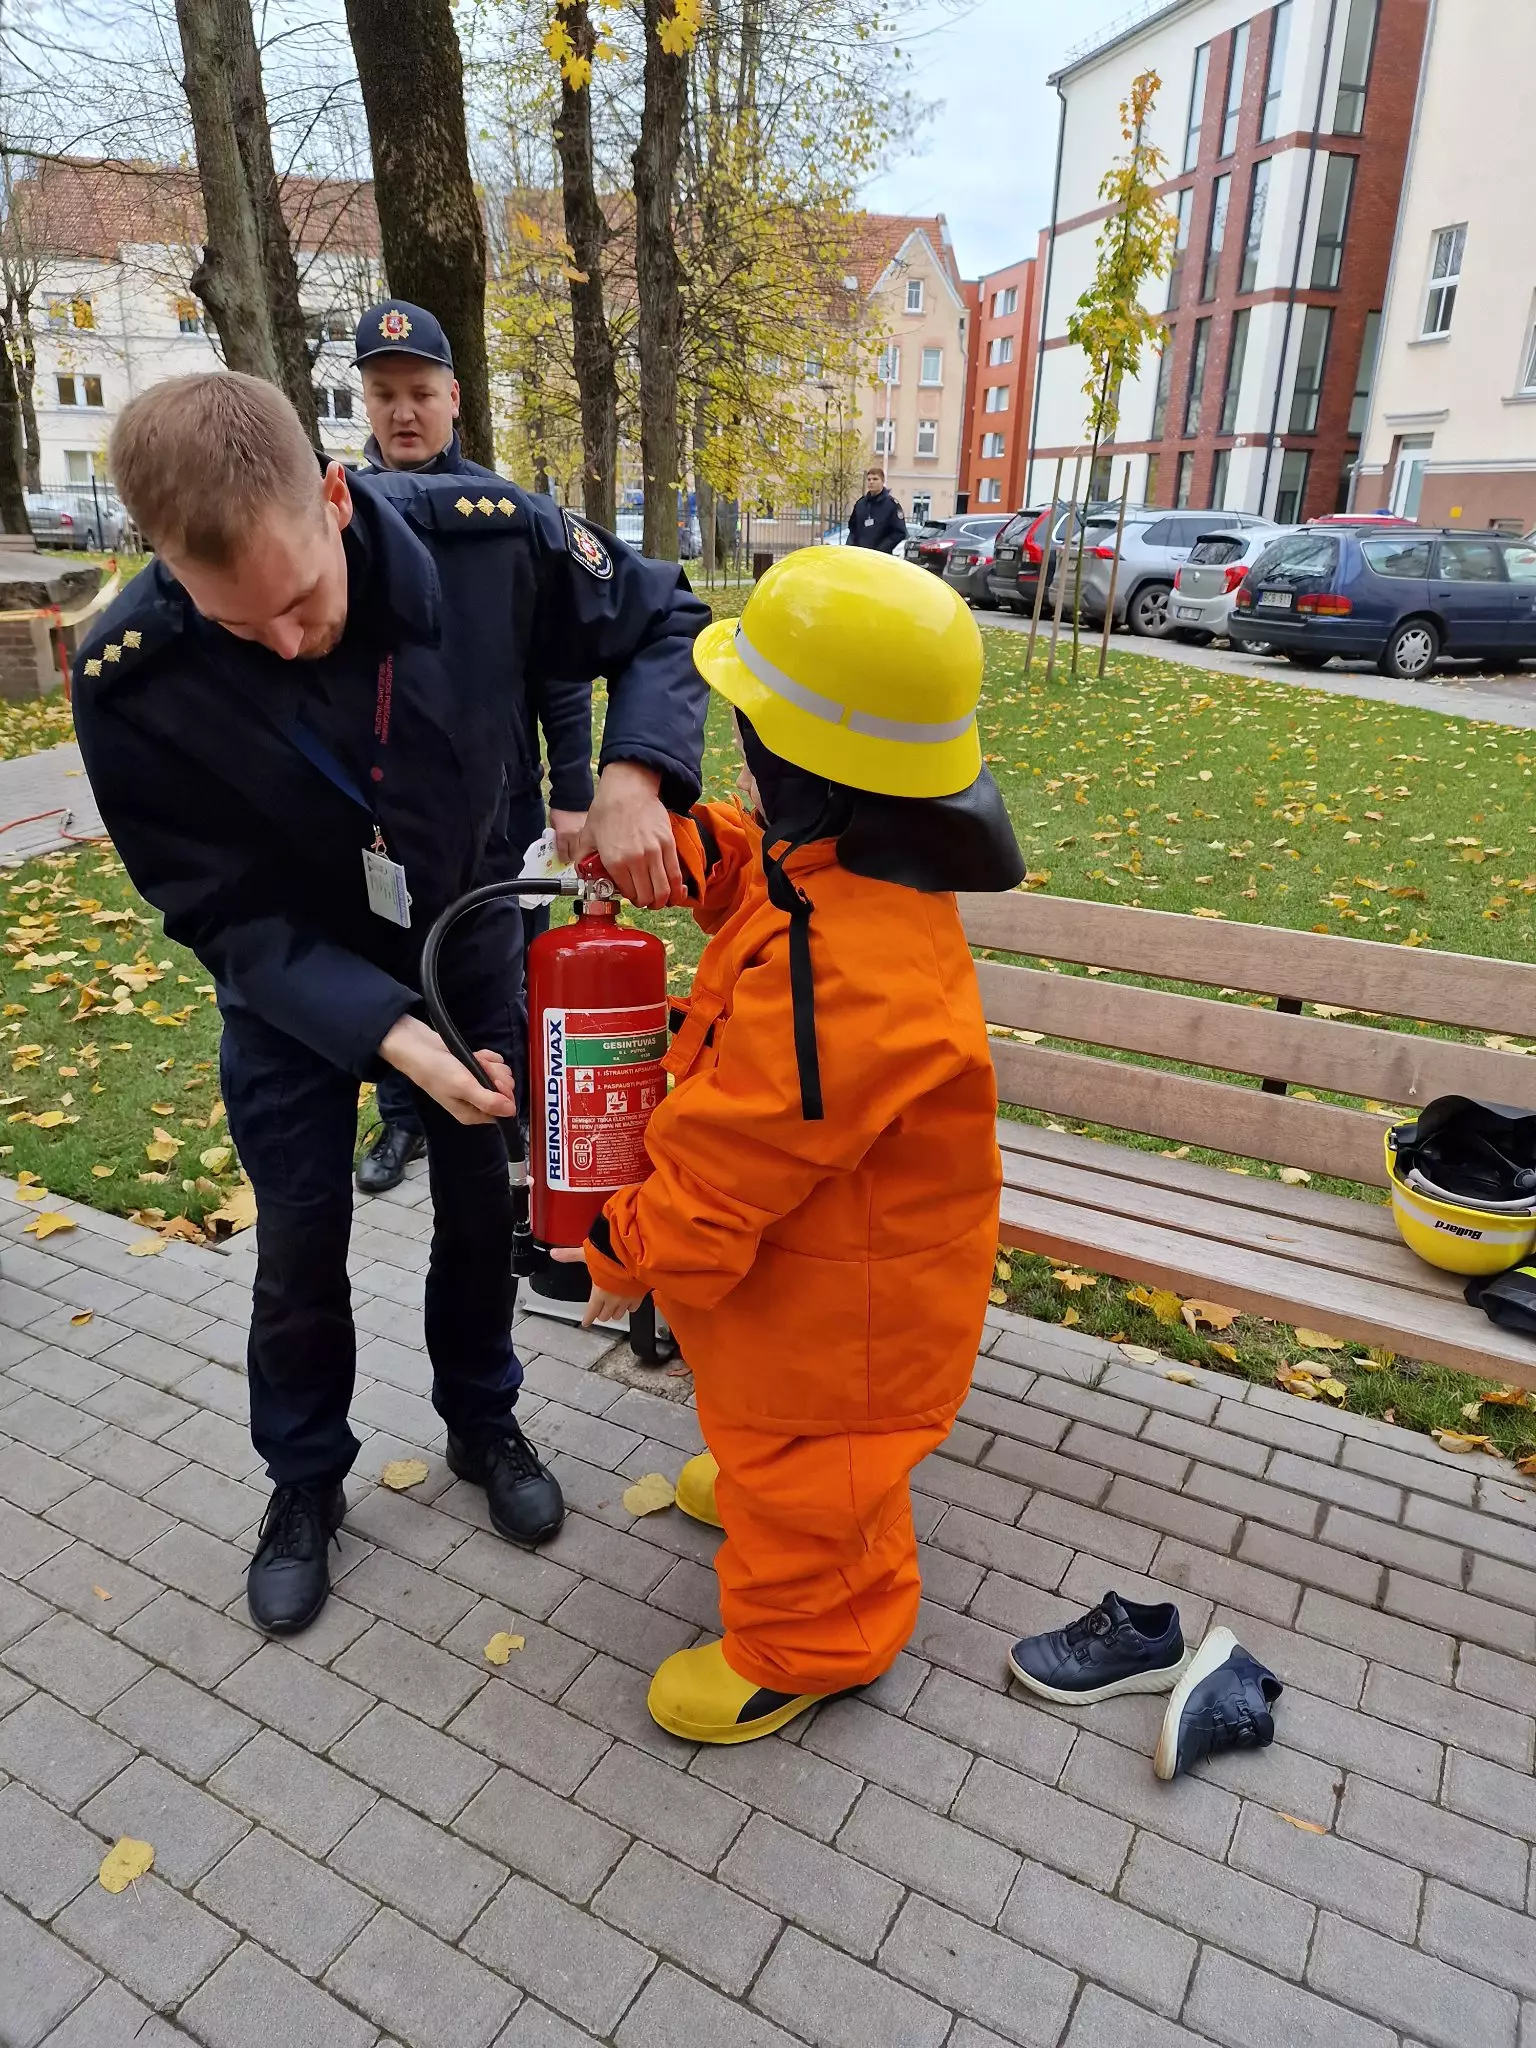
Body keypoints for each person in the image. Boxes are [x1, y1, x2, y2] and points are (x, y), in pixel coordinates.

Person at [72, 371, 708, 1637]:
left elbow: (661, 617)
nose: (289, 641)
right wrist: (387, 1033)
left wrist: (636, 770)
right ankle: (304, 1479)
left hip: (466, 934)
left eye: (302, 600)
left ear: (334, 492)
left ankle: (483, 1415)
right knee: (300, 1239)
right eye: (243, 627)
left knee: (482, 1205)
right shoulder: (129, 677)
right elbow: (216, 910)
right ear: (164, 566)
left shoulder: (489, 542)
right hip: (292, 983)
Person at [555, 546, 1024, 1742]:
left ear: (814, 766)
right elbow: (768, 875)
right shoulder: (852, 861)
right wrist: (684, 845)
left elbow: (725, 1165)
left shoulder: (851, 981)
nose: (744, 759)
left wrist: (620, 1249)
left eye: (757, 732)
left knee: (818, 1466)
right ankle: (782, 1498)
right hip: (809, 1280)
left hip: (846, 1311)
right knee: (780, 1436)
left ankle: (817, 1643)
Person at [350, 297, 593, 1194]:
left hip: (503, 807)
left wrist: (573, 790)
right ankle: (403, 1121)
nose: (403, 412)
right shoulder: (341, 517)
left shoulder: (508, 520)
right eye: (384, 394)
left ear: (455, 396)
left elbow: (560, 668)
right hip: (384, 814)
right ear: (365, 402)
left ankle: (509, 1107)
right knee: (394, 968)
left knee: (510, 970)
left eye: (420, 391)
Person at [847, 466, 907, 553]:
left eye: (875, 479)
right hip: (860, 555)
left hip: (880, 556)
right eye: (869, 479)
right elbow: (853, 528)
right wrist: (851, 546)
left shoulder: (891, 505)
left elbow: (899, 532)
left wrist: (881, 549)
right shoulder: (861, 504)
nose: (871, 482)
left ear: (882, 481)